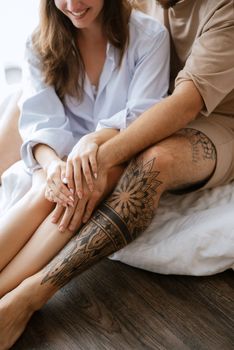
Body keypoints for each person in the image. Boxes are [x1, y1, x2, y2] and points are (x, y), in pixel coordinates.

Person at [0, 0, 233, 348]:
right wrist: (52, 165)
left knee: (131, 170)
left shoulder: (214, 13)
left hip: (214, 120)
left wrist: (96, 155)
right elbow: (39, 115)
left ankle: (26, 296)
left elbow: (182, 104)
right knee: (46, 175)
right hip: (115, 128)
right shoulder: (52, 33)